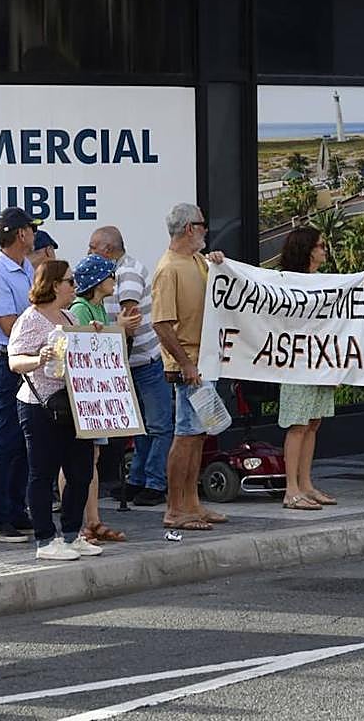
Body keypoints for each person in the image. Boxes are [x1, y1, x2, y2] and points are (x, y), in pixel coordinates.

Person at [7, 260, 102, 561]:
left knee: (81, 471)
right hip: (41, 405)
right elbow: (14, 361)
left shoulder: (71, 316)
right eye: (70, 281)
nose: (74, 286)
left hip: (74, 403)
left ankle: (72, 534)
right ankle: (45, 539)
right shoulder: (30, 319)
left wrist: (95, 335)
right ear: (54, 284)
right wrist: (39, 358)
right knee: (42, 471)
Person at [151, 203, 226, 531]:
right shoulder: (168, 269)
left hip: (205, 360)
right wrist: (185, 364)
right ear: (188, 229)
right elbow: (162, 324)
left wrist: (219, 264)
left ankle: (192, 503)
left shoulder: (196, 261)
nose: (206, 230)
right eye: (202, 224)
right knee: (185, 435)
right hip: (190, 365)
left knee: (198, 435)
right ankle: (174, 508)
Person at [90, 225, 173, 507]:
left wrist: (115, 347)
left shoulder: (127, 274)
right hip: (132, 362)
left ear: (108, 250)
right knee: (142, 427)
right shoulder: (116, 271)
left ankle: (154, 483)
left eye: (93, 248)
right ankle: (138, 479)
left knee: (158, 425)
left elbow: (130, 320)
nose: (89, 252)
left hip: (143, 361)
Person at [0, 207, 41, 543]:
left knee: (23, 441)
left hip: (31, 361)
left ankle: (17, 510)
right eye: (32, 229)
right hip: (12, 362)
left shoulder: (26, 268)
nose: (34, 234)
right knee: (7, 439)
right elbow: (9, 326)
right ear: (21, 234)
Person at [67, 253, 135, 543]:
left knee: (92, 457)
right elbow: (83, 347)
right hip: (84, 394)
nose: (114, 281)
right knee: (74, 460)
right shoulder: (81, 309)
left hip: (96, 393)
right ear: (96, 281)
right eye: (109, 276)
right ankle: (80, 521)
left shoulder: (97, 309)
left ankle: (93, 520)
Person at [275, 227, 339, 510]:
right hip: (297, 360)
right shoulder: (287, 282)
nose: (324, 250)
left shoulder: (321, 280)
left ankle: (306, 483)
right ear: (308, 249)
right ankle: (291, 489)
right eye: (320, 245)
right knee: (298, 424)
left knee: (313, 423)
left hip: (320, 360)